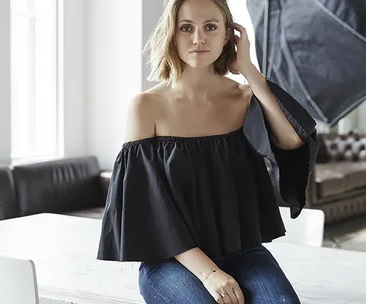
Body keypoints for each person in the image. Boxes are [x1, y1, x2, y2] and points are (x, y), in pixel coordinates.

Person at [97, 0, 318, 303]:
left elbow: (292, 143)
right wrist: (210, 274)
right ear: (172, 34)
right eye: (186, 28)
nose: (198, 39)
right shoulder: (146, 107)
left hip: (243, 253)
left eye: (210, 27)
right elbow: (147, 206)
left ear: (229, 35)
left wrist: (249, 71)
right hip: (172, 261)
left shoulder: (243, 98)